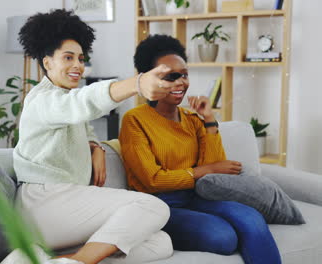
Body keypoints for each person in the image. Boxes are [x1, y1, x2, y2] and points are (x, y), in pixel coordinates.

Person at [2, 10, 175, 264]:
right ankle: (77, 261)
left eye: (81, 59)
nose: (78, 66)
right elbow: (82, 103)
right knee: (154, 207)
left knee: (160, 243)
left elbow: (80, 121)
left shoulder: (62, 97)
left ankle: (49, 258)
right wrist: (136, 84)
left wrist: (96, 147)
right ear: (47, 62)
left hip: (65, 208)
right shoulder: (41, 99)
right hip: (43, 203)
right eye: (68, 57)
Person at [118, 34, 281, 264]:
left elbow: (216, 172)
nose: (181, 82)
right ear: (149, 79)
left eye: (184, 75)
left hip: (197, 196)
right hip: (158, 205)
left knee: (252, 218)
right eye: (170, 76)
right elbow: (152, 181)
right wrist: (204, 170)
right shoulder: (134, 120)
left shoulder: (193, 119)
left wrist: (210, 121)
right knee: (223, 237)